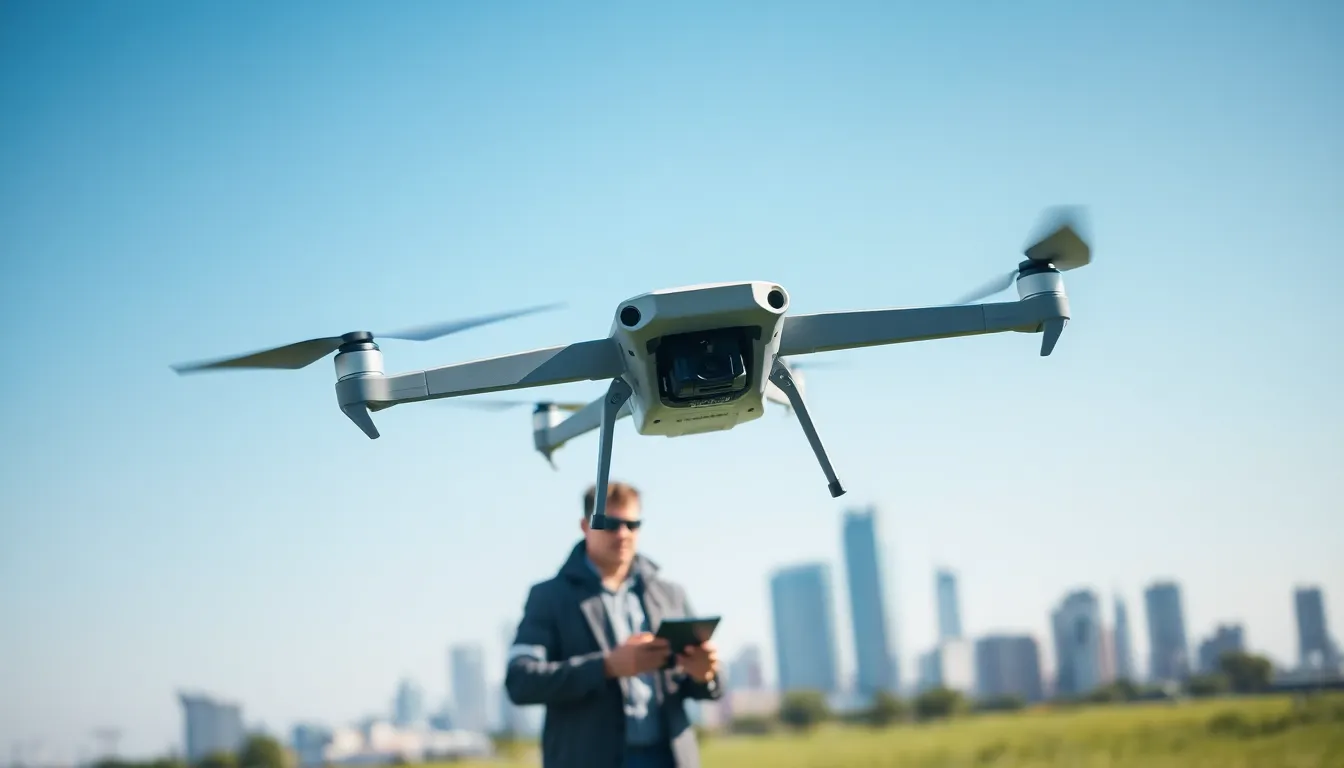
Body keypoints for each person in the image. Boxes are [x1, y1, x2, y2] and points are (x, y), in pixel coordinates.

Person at [505, 480, 722, 768]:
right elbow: (521, 681)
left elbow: (713, 683)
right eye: (610, 523)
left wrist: (704, 674)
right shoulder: (549, 597)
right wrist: (606, 666)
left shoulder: (671, 594)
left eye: (633, 525)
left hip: (669, 758)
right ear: (585, 526)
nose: (623, 534)